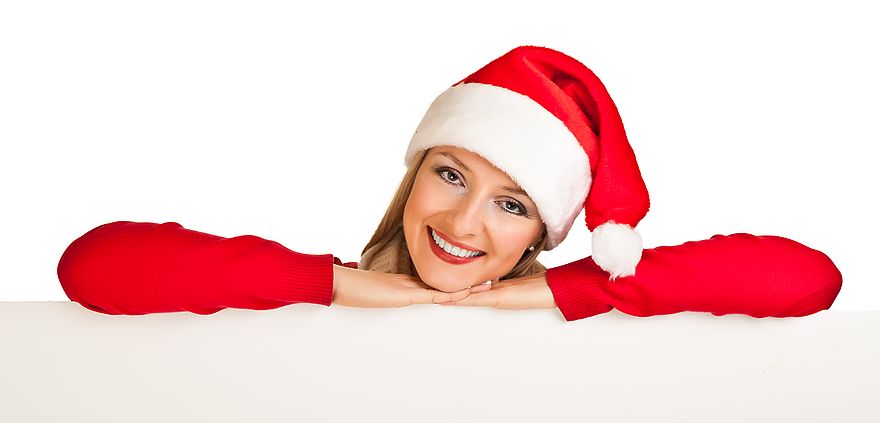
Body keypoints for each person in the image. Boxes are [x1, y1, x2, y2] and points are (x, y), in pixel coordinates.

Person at [56, 46, 843, 321]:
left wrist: (567, 292)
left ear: (542, 232)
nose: (464, 222)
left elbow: (809, 278)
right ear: (415, 175)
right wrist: (324, 284)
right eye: (450, 173)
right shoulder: (323, 291)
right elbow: (90, 266)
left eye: (511, 204)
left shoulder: (563, 308)